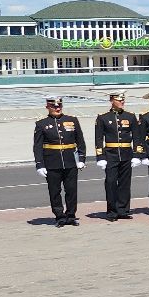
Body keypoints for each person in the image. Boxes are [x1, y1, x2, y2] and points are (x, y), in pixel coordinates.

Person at [33, 95, 86, 227]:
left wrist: (81, 158)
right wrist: (40, 164)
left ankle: (71, 215)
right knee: (54, 191)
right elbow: (37, 146)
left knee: (72, 190)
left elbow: (80, 141)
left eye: (59, 105)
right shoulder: (41, 124)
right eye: (54, 106)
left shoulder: (72, 120)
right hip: (52, 162)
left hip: (70, 161)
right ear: (47, 107)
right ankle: (59, 216)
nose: (57, 108)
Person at [90, 91, 140, 221]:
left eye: (123, 100)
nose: (122, 102)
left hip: (126, 154)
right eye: (119, 100)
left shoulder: (130, 116)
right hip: (111, 154)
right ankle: (112, 211)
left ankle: (123, 210)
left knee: (125, 183)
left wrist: (136, 154)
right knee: (111, 183)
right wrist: (100, 157)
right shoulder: (103, 117)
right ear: (112, 101)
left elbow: (137, 137)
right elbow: (98, 138)